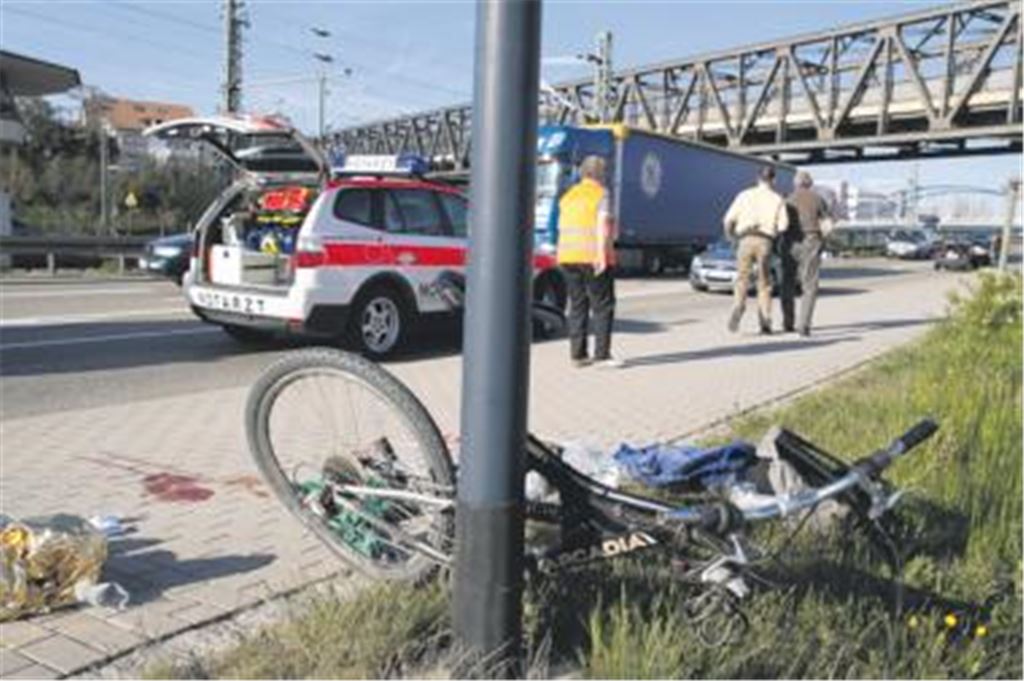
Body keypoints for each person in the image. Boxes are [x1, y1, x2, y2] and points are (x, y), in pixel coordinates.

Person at [556, 155, 622, 368]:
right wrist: (602, 255)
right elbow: (603, 224)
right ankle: (602, 355)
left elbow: (560, 226)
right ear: (600, 174)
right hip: (592, 256)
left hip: (567, 257)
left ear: (583, 173)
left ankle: (578, 355)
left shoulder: (568, 196)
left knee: (577, 305)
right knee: (602, 305)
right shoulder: (601, 194)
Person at [722, 166, 789, 335]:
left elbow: (728, 219)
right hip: (765, 241)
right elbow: (784, 225)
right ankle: (765, 319)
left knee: (742, 279)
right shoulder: (777, 199)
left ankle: (739, 306)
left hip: (745, 239)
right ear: (773, 180)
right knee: (764, 283)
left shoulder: (744, 195)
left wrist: (731, 236)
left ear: (757, 178)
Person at [780, 170, 832, 337]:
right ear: (810, 184)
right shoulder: (818, 199)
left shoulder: (787, 199)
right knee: (809, 284)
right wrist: (823, 241)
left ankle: (788, 322)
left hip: (790, 241)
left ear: (795, 184)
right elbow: (827, 226)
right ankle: (804, 325)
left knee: (787, 282)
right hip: (811, 240)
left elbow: (780, 224)